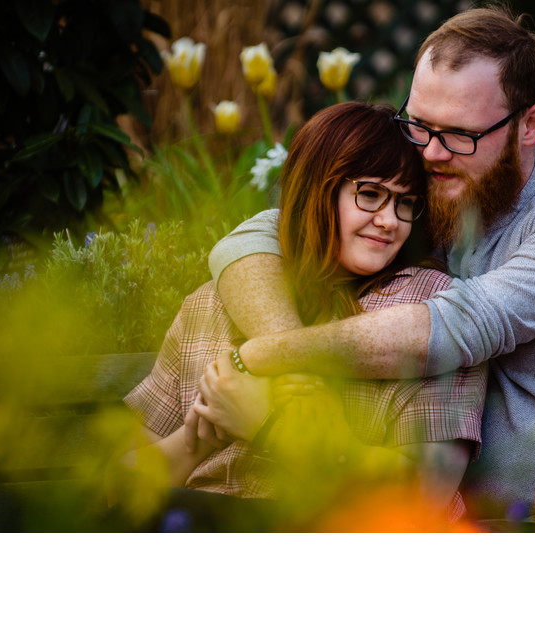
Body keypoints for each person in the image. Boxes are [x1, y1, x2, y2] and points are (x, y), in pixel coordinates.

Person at [205, 5, 535, 518]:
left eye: (459, 133)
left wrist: (264, 358)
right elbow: (260, 236)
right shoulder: (439, 188)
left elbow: (461, 327)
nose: (430, 153)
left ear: (530, 124)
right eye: (418, 125)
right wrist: (295, 395)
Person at [122, 101, 486, 526]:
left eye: (406, 203)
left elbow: (424, 495)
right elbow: (119, 487)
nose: (390, 220)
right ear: (314, 188)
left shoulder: (431, 314)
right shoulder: (212, 304)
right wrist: (202, 435)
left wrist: (273, 425)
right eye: (369, 194)